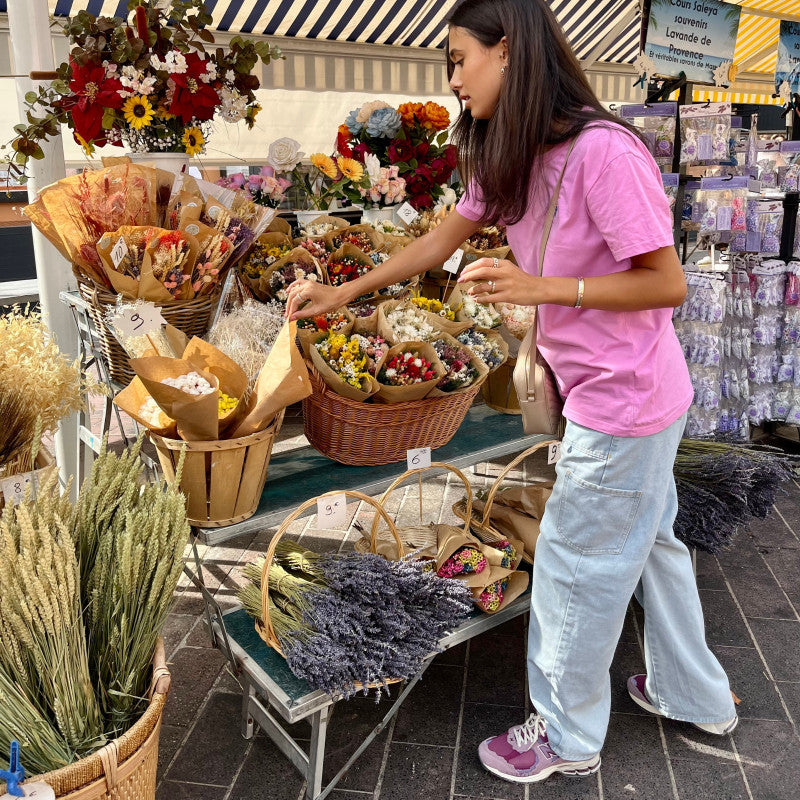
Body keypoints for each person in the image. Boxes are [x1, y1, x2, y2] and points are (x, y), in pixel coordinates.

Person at [286, 0, 737, 785]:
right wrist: (345, 290)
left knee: (573, 567)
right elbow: (438, 239)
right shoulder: (516, 155)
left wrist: (543, 287)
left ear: (510, 51)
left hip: (622, 401)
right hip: (629, 396)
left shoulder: (604, 152)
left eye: (461, 59)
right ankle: (696, 696)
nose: (454, 79)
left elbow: (666, 284)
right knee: (655, 546)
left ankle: (565, 738)